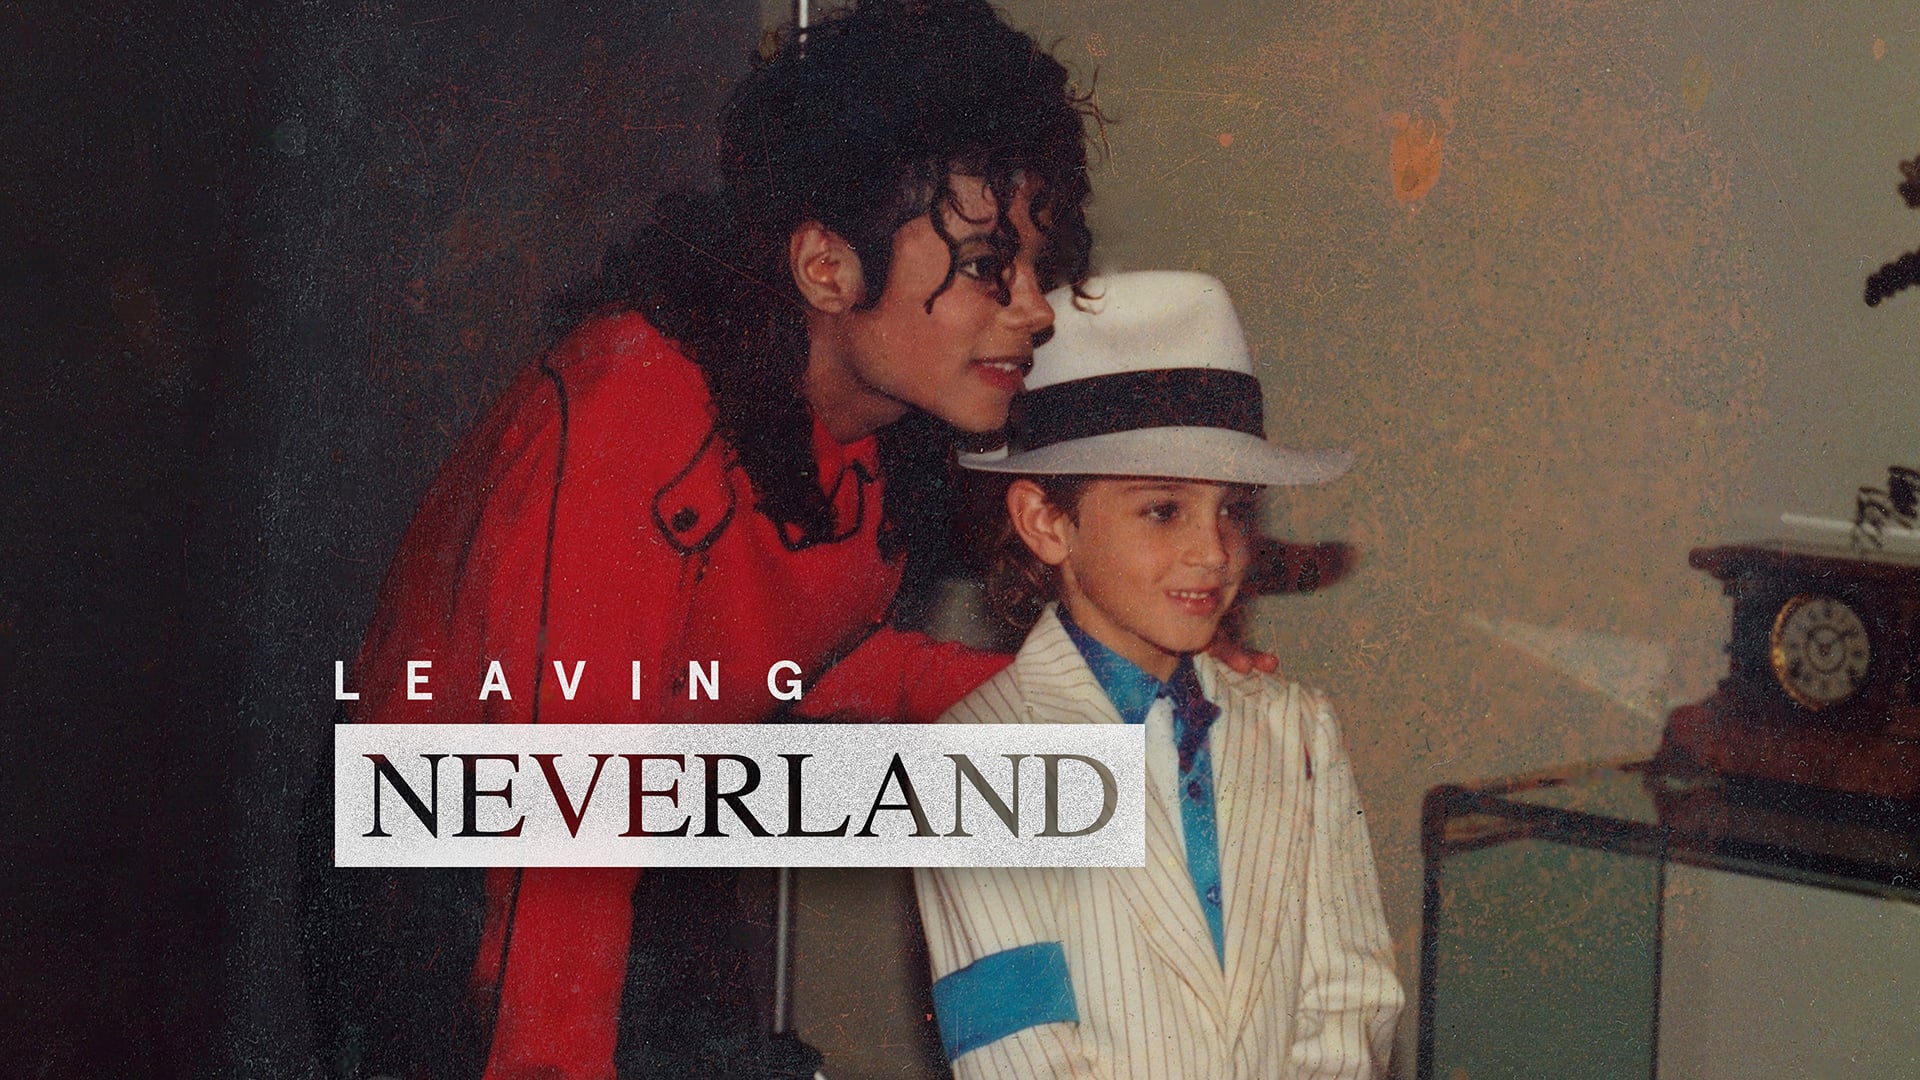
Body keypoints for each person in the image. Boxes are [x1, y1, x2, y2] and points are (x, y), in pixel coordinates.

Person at [306, 2, 1099, 1078]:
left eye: (1038, 265)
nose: (1035, 310)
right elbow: (559, 817)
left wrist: (1102, 697)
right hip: (451, 846)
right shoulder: (632, 414)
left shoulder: (872, 428)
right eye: (986, 264)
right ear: (827, 266)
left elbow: (801, 666)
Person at [913, 271, 1405, 1079]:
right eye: (1163, 510)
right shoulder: (975, 758)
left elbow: (1351, 998)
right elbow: (1018, 1053)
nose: (1212, 551)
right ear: (1046, 522)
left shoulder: (1296, 729)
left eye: (1232, 509)